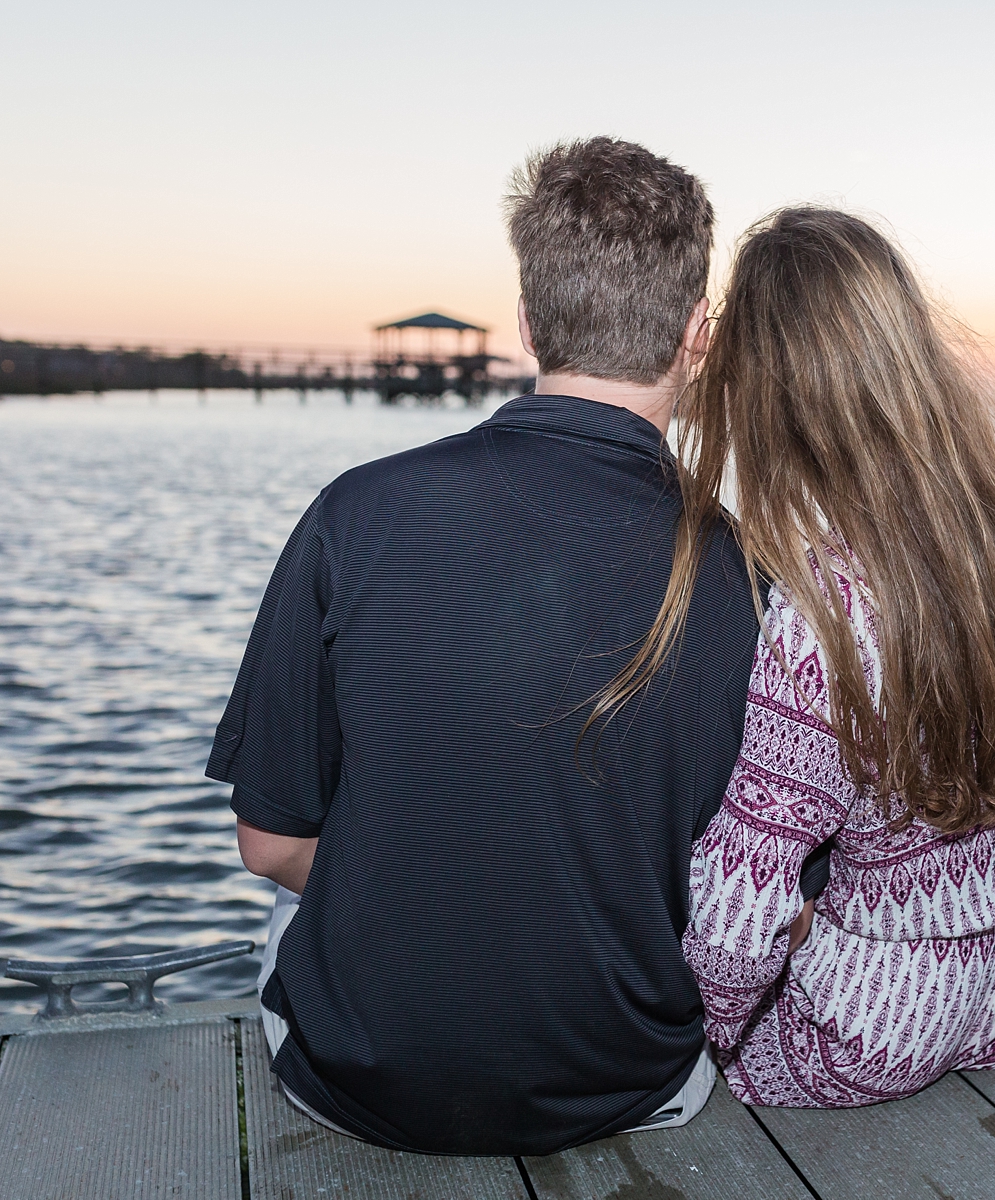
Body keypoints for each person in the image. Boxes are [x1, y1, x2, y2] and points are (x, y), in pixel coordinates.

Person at [206, 137, 763, 1154]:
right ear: (699, 335)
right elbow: (749, 883)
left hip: (360, 1079)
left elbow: (272, 844)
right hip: (630, 1082)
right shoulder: (744, 573)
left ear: (525, 323)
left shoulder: (357, 514)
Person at [604, 207, 995, 1107]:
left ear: (767, 393)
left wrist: (673, 1059)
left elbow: (740, 908)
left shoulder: (823, 613)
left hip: (867, 1025)